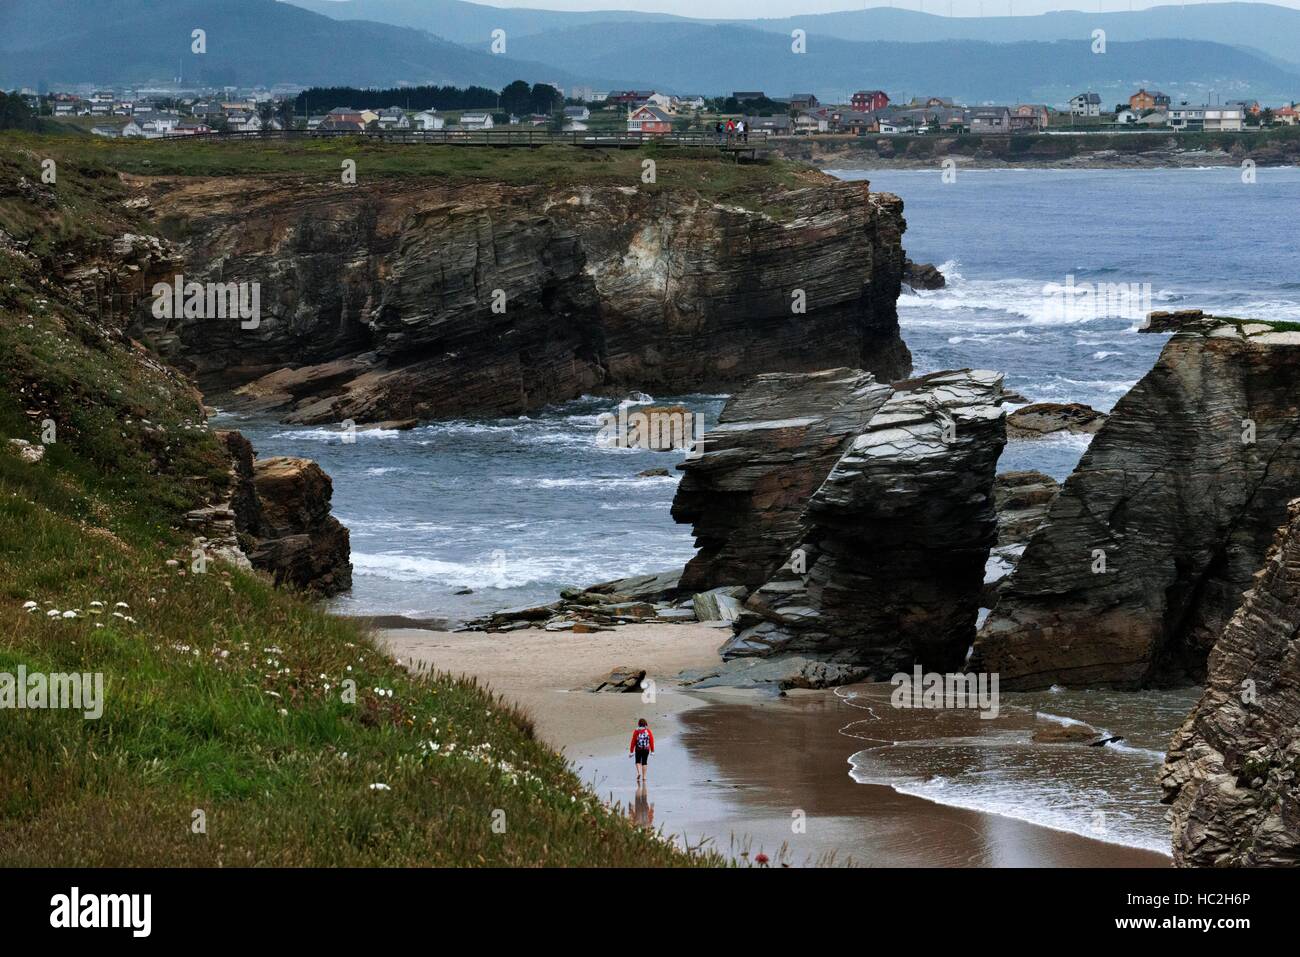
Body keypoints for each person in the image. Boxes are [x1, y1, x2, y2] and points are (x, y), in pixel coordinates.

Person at [629, 717, 654, 784]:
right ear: (645, 724)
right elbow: (651, 741)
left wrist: (631, 751)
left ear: (638, 724)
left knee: (637, 761)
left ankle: (639, 772)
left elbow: (633, 741)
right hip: (646, 749)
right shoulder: (648, 731)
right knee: (644, 762)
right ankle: (644, 777)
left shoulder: (636, 731)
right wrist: (652, 751)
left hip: (638, 749)